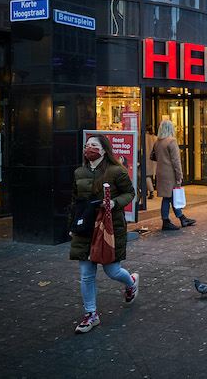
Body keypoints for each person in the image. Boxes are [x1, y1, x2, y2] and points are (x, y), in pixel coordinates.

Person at [68, 134, 138, 333]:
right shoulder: (79, 172)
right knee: (86, 274)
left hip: (109, 227)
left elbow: (130, 193)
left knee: (112, 271)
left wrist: (114, 203)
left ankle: (130, 283)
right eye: (87, 145)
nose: (89, 148)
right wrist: (72, 226)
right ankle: (91, 314)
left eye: (94, 146)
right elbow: (75, 201)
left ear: (104, 150)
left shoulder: (117, 171)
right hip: (85, 228)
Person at [155, 119, 196, 230]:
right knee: (168, 198)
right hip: (170, 174)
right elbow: (176, 161)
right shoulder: (171, 141)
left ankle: (181, 217)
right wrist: (179, 175)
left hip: (160, 172)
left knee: (170, 197)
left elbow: (152, 156)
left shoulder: (158, 141)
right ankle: (167, 220)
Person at [145, 125, 157, 199]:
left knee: (146, 175)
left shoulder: (143, 137)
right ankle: (150, 190)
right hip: (153, 159)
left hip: (146, 158)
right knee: (149, 175)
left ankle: (150, 191)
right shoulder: (155, 138)